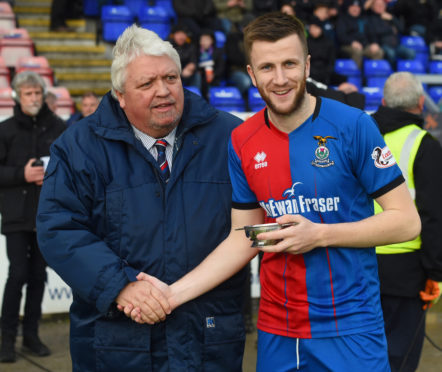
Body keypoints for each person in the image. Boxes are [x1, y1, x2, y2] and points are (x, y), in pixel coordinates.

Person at [123, 12, 421, 371]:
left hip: (352, 329)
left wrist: (320, 235)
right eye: (267, 68)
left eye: (289, 64)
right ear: (251, 73)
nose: (280, 79)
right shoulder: (242, 140)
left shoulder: (354, 126)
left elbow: (406, 222)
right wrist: (172, 295)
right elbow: (244, 236)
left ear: (307, 64)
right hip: (277, 332)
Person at [36, 24, 247, 371]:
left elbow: (252, 227)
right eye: (147, 84)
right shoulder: (78, 147)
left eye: (170, 78)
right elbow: (59, 229)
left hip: (208, 341)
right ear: (120, 95)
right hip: (116, 344)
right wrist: (121, 286)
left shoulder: (231, 137)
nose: (163, 91)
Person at [372, 72, 442, 372]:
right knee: (399, 359)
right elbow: (433, 215)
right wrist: (436, 272)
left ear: (384, 102)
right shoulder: (425, 145)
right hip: (407, 271)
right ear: (421, 103)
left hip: (357, 264)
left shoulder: (362, 135)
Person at [0, 71, 66, 363]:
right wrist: (21, 174)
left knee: (39, 276)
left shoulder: (59, 127)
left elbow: (70, 168)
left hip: (47, 215)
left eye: (38, 93)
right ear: (17, 96)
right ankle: (5, 340)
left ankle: (31, 336)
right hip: (16, 216)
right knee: (18, 275)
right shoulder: (5, 130)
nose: (34, 98)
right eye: (28, 94)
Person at [364, 0, 415, 69]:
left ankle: (406, 71)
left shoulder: (390, 17)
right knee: (391, 54)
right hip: (383, 45)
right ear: (372, 7)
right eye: (377, 5)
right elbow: (376, 32)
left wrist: (392, 19)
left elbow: (402, 29)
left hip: (396, 46)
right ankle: (393, 72)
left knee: (411, 53)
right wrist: (391, 30)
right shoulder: (370, 18)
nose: (380, 7)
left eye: (382, 5)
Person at [335, 0, 384, 69]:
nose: (355, 9)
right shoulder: (342, 19)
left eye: (358, 7)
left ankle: (372, 75)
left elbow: (371, 33)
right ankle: (357, 75)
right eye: (353, 7)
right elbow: (341, 36)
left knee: (378, 52)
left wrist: (374, 43)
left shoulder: (364, 19)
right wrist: (352, 42)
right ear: (348, 7)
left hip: (364, 45)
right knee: (357, 52)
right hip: (348, 45)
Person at [168, 23, 201, 91]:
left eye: (184, 34)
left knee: (197, 75)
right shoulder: (167, 45)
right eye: (179, 34)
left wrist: (192, 66)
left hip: (186, 73)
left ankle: (195, 95)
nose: (181, 37)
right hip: (171, 73)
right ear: (174, 35)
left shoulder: (190, 46)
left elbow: (194, 61)